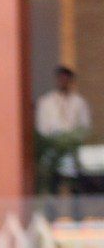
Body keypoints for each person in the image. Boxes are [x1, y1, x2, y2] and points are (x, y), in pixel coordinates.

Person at [36, 65, 92, 195]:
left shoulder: (79, 102)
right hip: (52, 148)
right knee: (49, 180)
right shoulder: (46, 102)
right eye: (61, 79)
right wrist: (56, 140)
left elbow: (85, 126)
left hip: (72, 147)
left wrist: (71, 138)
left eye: (66, 79)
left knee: (75, 180)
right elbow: (42, 127)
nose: (63, 82)